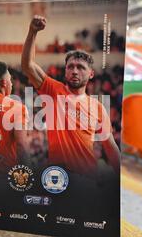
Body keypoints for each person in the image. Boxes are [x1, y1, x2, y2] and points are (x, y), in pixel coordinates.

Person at [21, 15, 120, 176]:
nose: (74, 71)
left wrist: (118, 184)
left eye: (80, 67)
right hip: (57, 179)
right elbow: (28, 66)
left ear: (91, 74)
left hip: (87, 180)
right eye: (70, 67)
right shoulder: (53, 90)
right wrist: (33, 32)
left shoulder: (98, 107)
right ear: (65, 70)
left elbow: (111, 147)